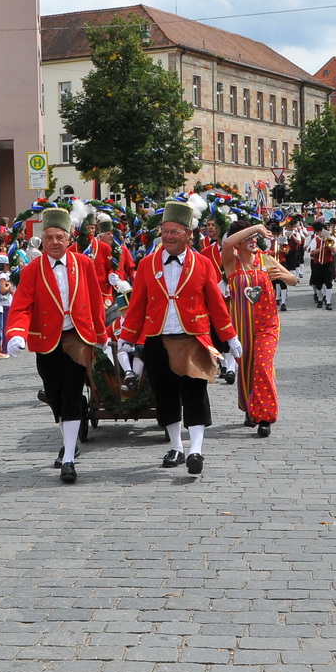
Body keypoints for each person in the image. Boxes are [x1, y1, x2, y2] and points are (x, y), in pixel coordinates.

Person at [118, 201, 239, 477]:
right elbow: (137, 306)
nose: (169, 236)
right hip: (157, 338)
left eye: (175, 232)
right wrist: (126, 337)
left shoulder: (204, 263)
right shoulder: (148, 264)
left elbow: (217, 305)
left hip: (193, 338)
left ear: (189, 235)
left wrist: (230, 338)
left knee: (195, 394)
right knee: (166, 395)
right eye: (165, 231)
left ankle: (196, 449)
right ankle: (176, 446)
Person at [4, 207, 108, 482]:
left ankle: (70, 458)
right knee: (55, 396)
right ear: (43, 239)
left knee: (72, 394)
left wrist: (101, 335)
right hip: (46, 342)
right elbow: (22, 306)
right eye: (49, 237)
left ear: (68, 238)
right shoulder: (32, 270)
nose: (54, 242)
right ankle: (68, 440)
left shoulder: (83, 265)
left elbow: (96, 301)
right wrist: (16, 333)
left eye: (59, 237)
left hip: (78, 339)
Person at [221, 222, 296, 438]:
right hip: (242, 325)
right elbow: (227, 243)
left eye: (255, 238)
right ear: (239, 243)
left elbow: (293, 279)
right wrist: (256, 227)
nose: (254, 241)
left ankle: (265, 417)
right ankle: (250, 408)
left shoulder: (266, 259)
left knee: (262, 366)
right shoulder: (231, 263)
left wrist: (279, 276)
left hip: (267, 325)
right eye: (248, 238)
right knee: (245, 369)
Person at [306, 222, 336, 310]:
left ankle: (328, 302)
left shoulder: (331, 239)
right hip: (317, 264)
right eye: (318, 232)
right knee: (318, 284)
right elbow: (312, 252)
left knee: (328, 283)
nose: (320, 233)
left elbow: (334, 251)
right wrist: (321, 249)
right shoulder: (315, 240)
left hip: (328, 264)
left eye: (321, 231)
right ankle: (320, 299)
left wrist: (327, 243)